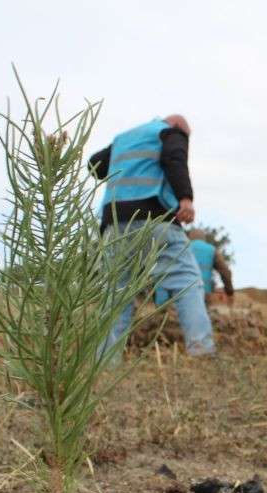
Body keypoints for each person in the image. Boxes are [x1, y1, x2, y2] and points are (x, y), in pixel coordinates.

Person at [88, 115, 216, 356]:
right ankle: (201, 350)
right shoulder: (170, 132)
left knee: (116, 290)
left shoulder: (123, 139)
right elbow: (174, 158)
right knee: (186, 281)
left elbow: (95, 165)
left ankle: (105, 360)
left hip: (116, 222)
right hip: (154, 216)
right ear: (178, 128)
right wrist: (185, 197)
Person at [154, 228, 234, 306]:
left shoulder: (180, 248)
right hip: (203, 293)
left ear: (188, 238)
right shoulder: (212, 250)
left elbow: (164, 271)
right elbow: (225, 271)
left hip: (179, 291)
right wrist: (229, 291)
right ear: (204, 239)